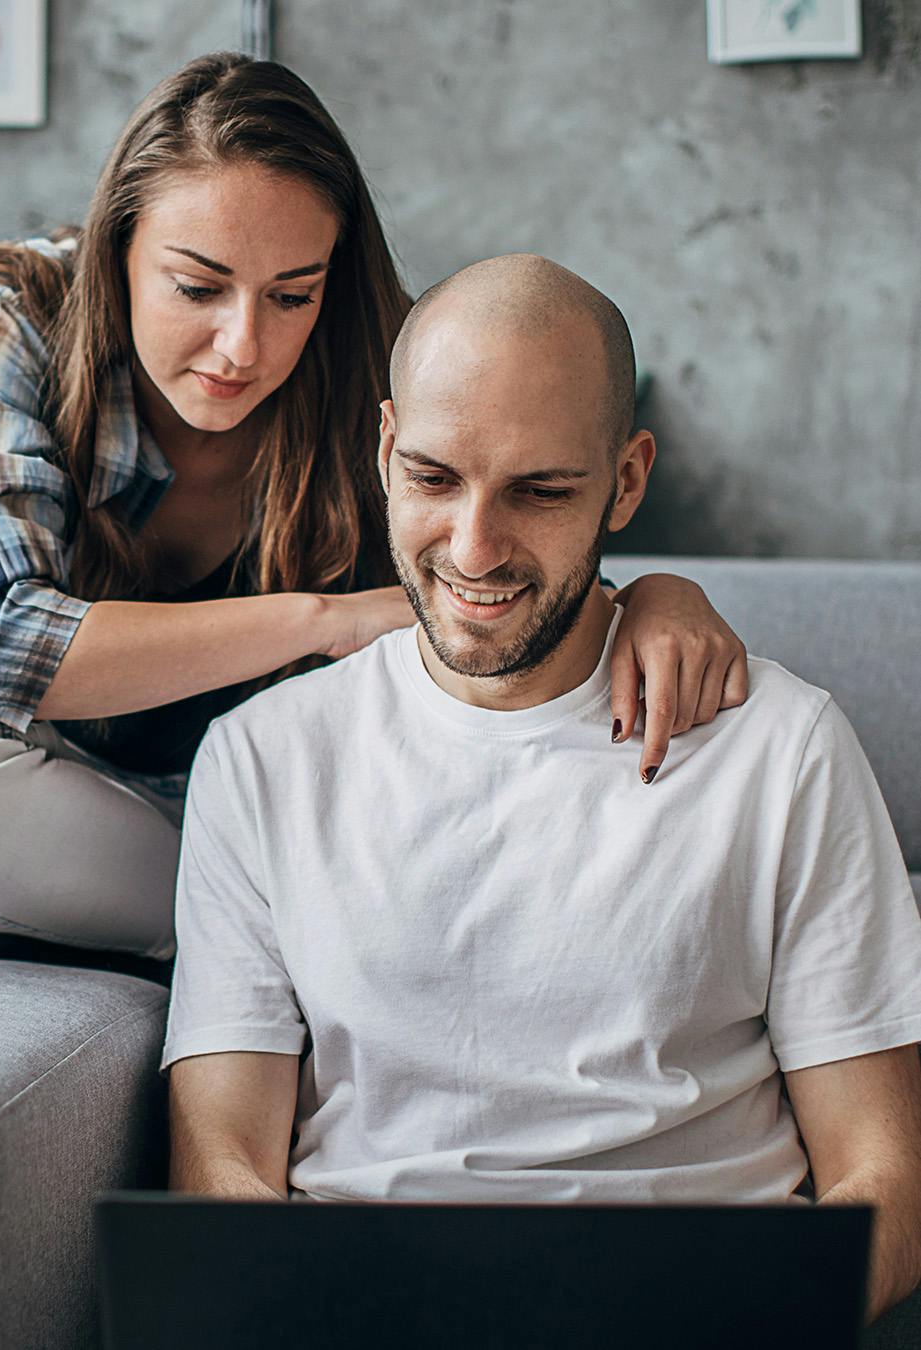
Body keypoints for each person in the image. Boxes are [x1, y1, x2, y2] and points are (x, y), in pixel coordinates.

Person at [0, 53, 747, 962]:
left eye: (291, 294)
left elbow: (508, 562)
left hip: (286, 818)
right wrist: (327, 620)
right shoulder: (19, 310)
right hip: (51, 811)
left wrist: (652, 596)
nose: (243, 346)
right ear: (116, 246)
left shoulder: (376, 354)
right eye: (197, 287)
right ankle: (281, 947)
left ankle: (255, 949)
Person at [162, 255, 921, 1325]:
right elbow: (224, 1166)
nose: (475, 548)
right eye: (432, 478)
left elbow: (886, 1177)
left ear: (626, 479)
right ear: (384, 449)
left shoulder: (784, 752)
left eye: (540, 490)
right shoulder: (262, 759)